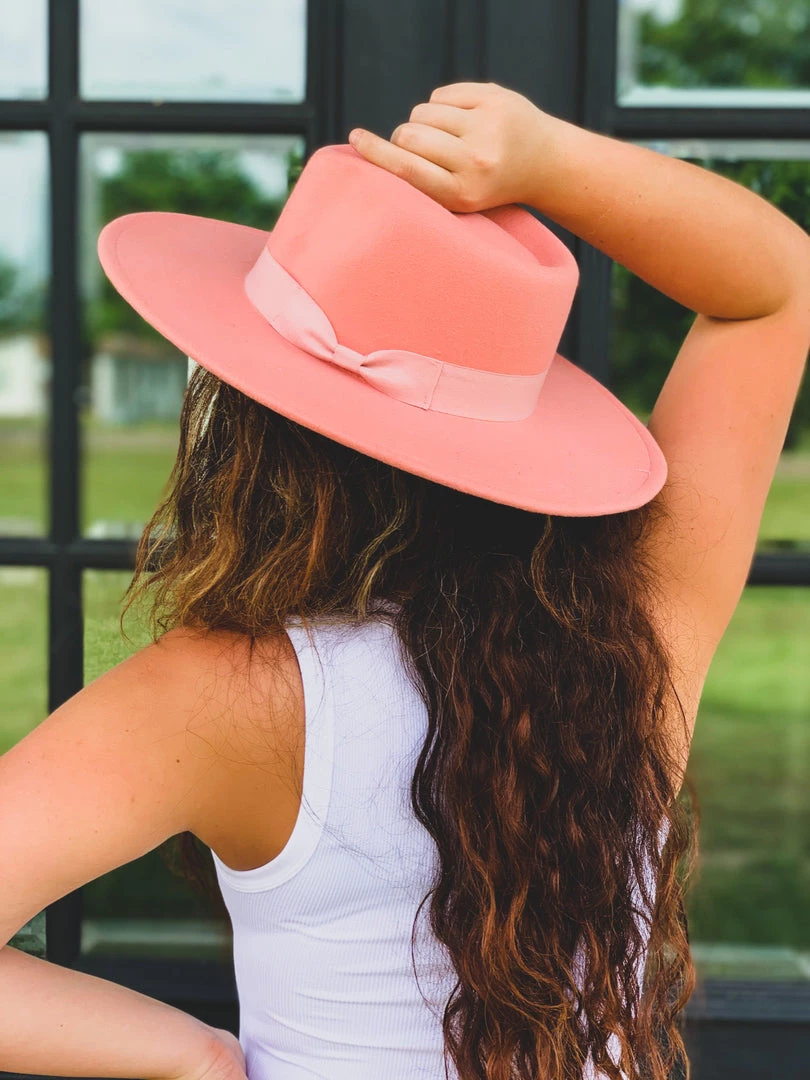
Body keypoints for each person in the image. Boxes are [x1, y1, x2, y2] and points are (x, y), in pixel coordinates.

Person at [1, 81, 808, 1080]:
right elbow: (776, 286)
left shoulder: (227, 692)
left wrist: (190, 1057)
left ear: (252, 431)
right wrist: (547, 157)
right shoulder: (633, 644)